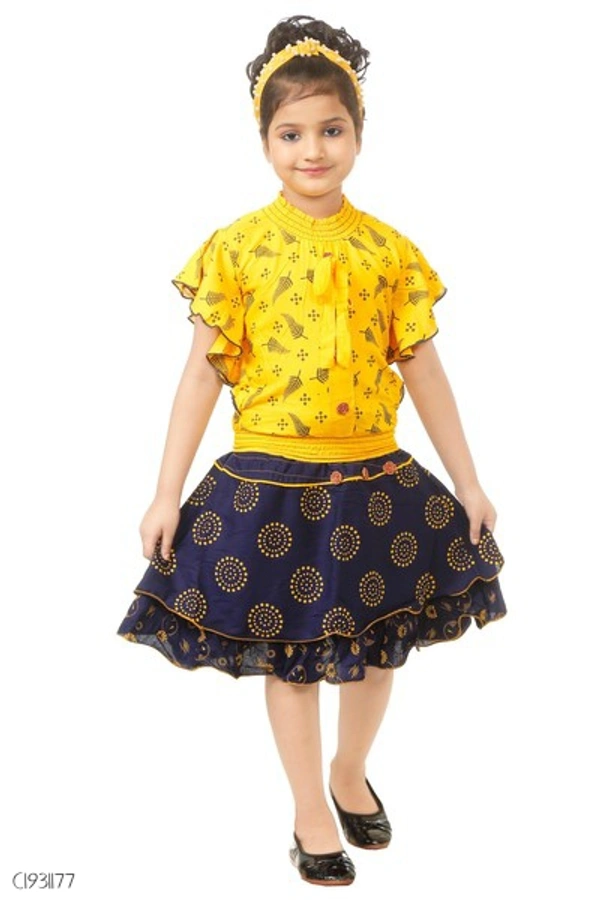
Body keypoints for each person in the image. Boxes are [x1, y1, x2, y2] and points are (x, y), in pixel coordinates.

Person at [116, 14, 506, 887]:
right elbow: (200, 376)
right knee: (289, 655)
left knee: (377, 647)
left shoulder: (389, 252)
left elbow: (425, 371)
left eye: (331, 129)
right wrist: (164, 492)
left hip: (374, 479)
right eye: (291, 134)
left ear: (358, 133)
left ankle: (348, 768)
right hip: (269, 486)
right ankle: (307, 808)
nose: (313, 150)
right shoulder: (237, 250)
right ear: (264, 141)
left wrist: (470, 482)